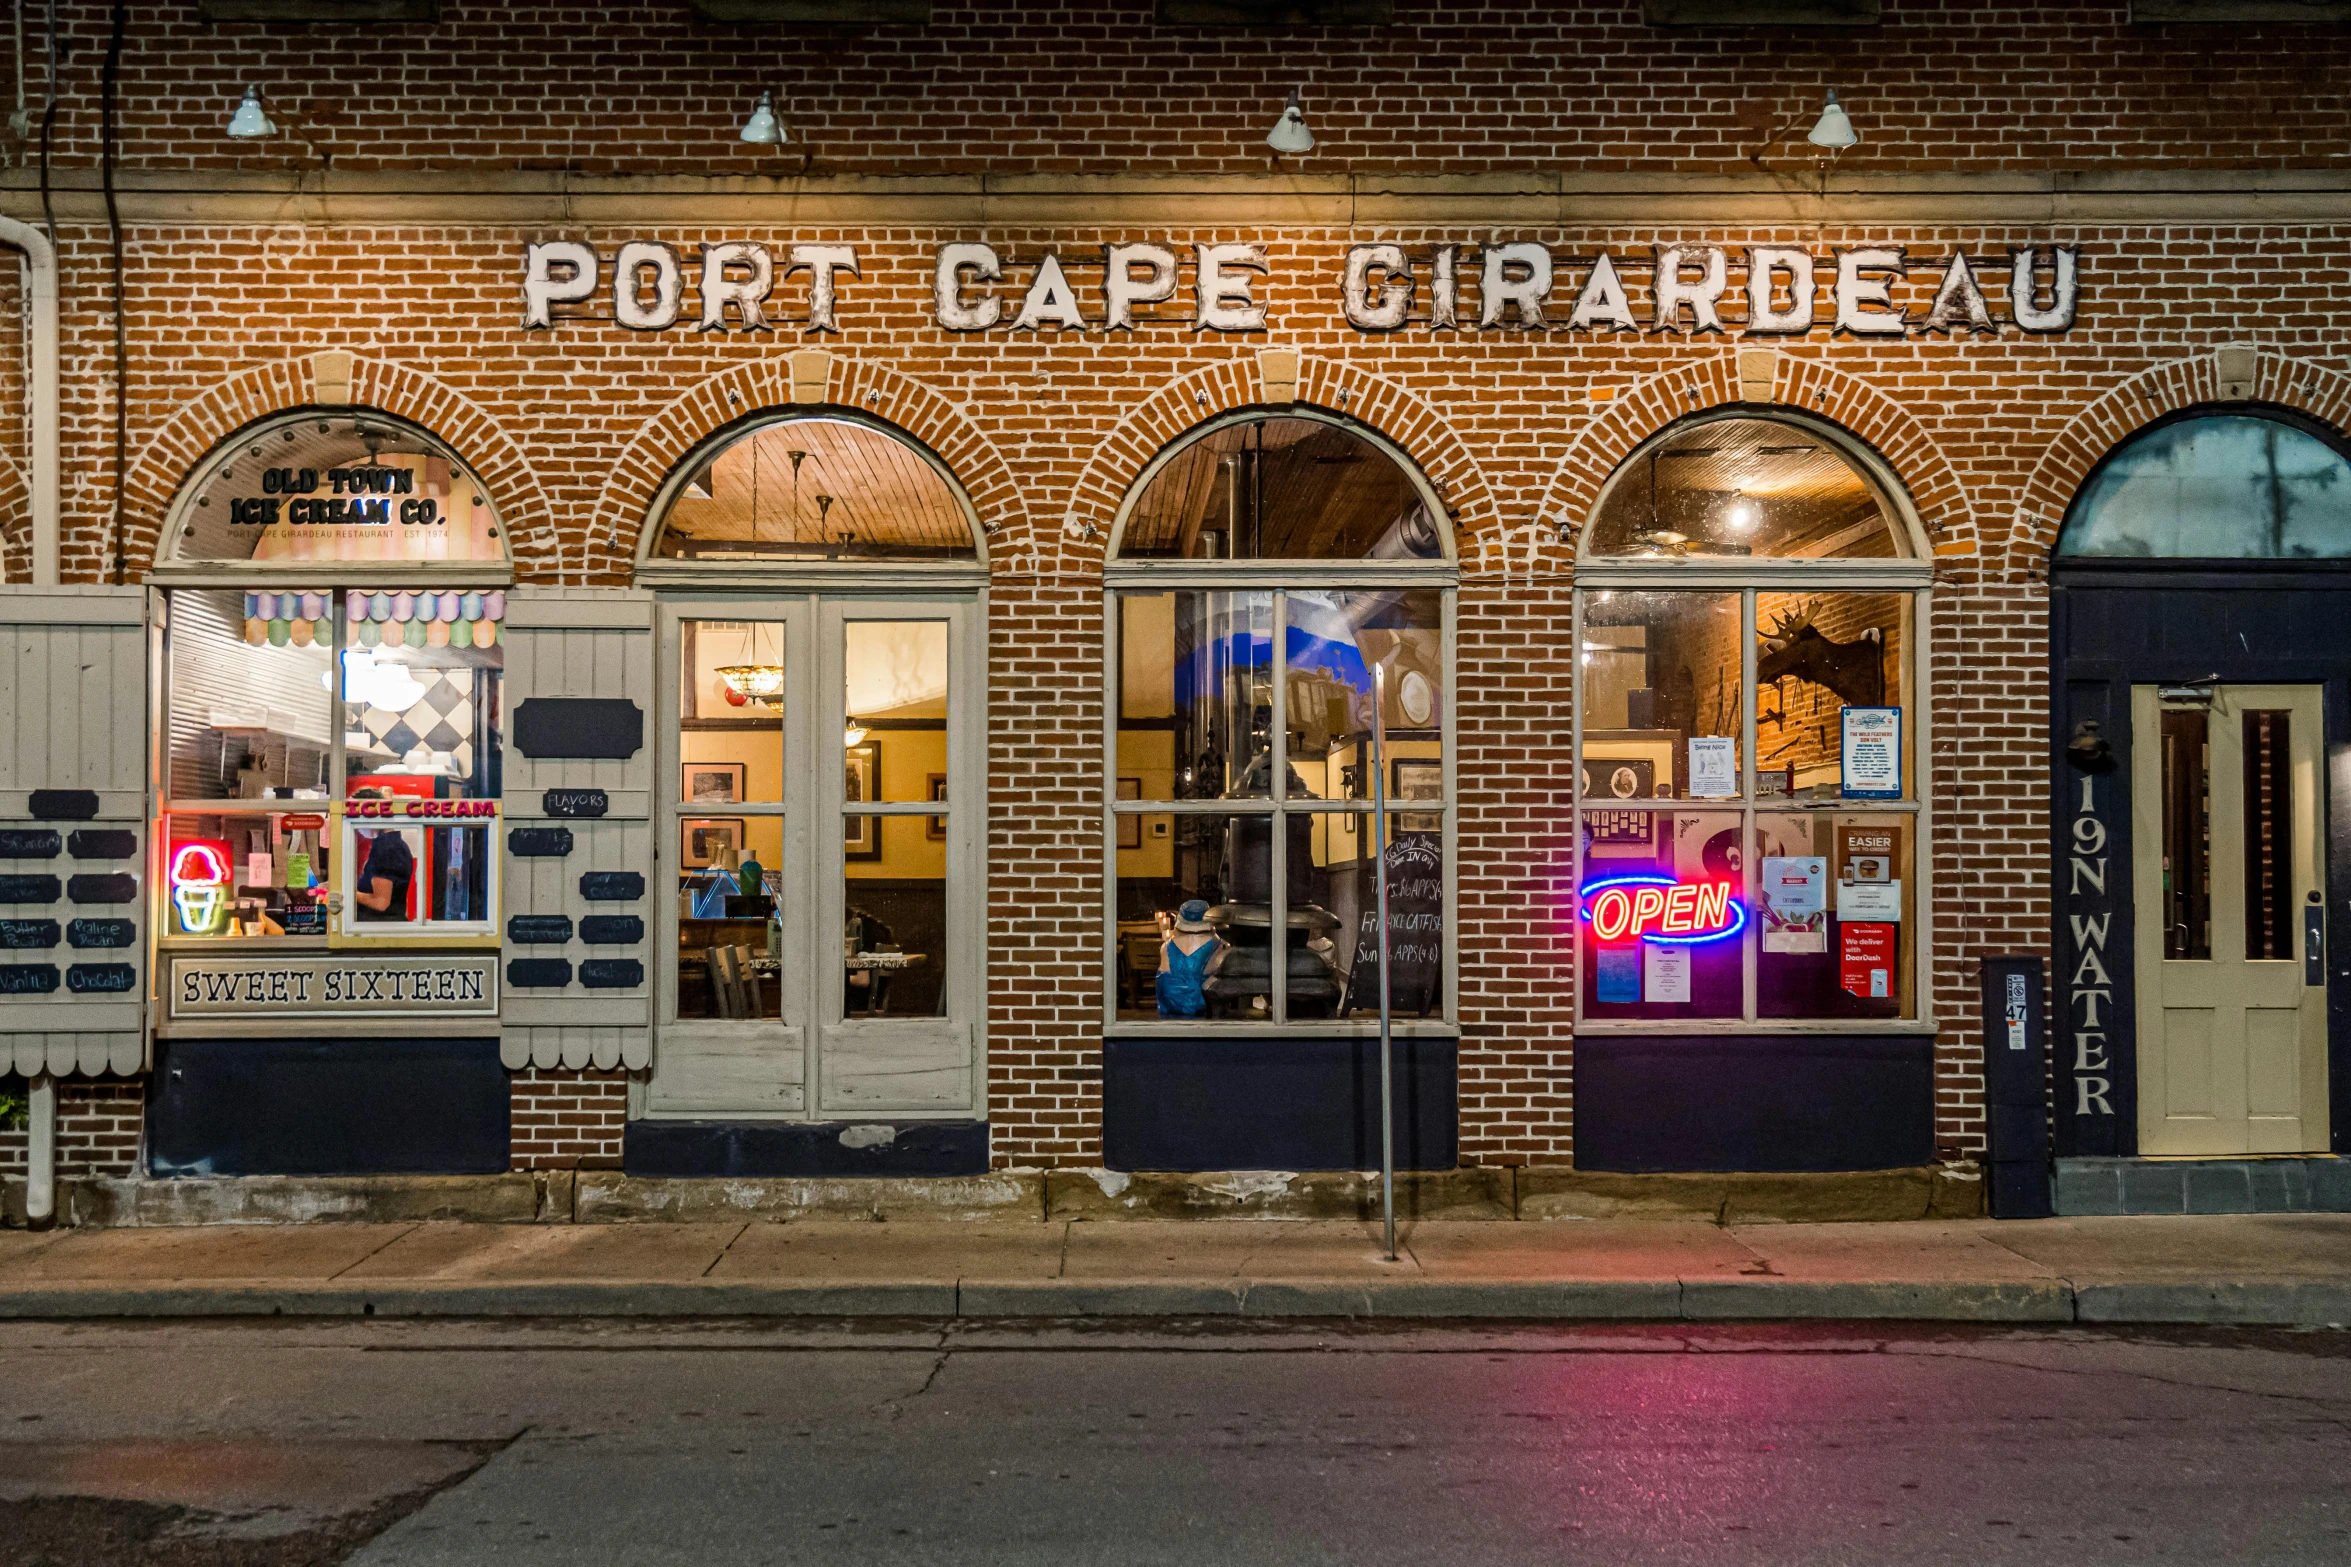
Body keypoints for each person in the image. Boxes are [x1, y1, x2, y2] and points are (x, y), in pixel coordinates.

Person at [350, 790, 417, 922]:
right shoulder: (395, 843)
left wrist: (344, 893)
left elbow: (381, 902)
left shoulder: (386, 848)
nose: (357, 828)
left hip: (380, 926)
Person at [1155, 899, 1221, 1019]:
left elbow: (1164, 985)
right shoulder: (1218, 946)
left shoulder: (1166, 947)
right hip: (1205, 1014)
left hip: (1171, 1014)